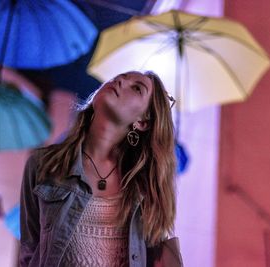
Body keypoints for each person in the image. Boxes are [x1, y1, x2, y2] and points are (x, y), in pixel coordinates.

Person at [19, 71, 180, 267]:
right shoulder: (44, 164)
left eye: (137, 88)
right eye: (121, 76)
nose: (120, 81)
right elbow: (29, 252)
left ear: (142, 122)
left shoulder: (146, 188)